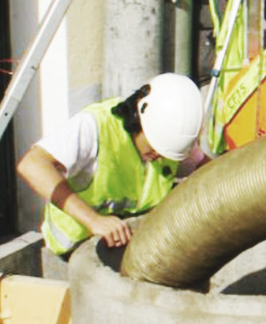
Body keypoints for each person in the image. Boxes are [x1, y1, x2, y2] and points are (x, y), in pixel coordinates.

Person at [17, 72, 206, 257]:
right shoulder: (96, 127)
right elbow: (32, 165)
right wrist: (94, 221)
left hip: (129, 247)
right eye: (154, 147)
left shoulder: (172, 141)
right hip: (73, 251)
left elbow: (206, 169)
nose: (158, 156)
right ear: (138, 119)